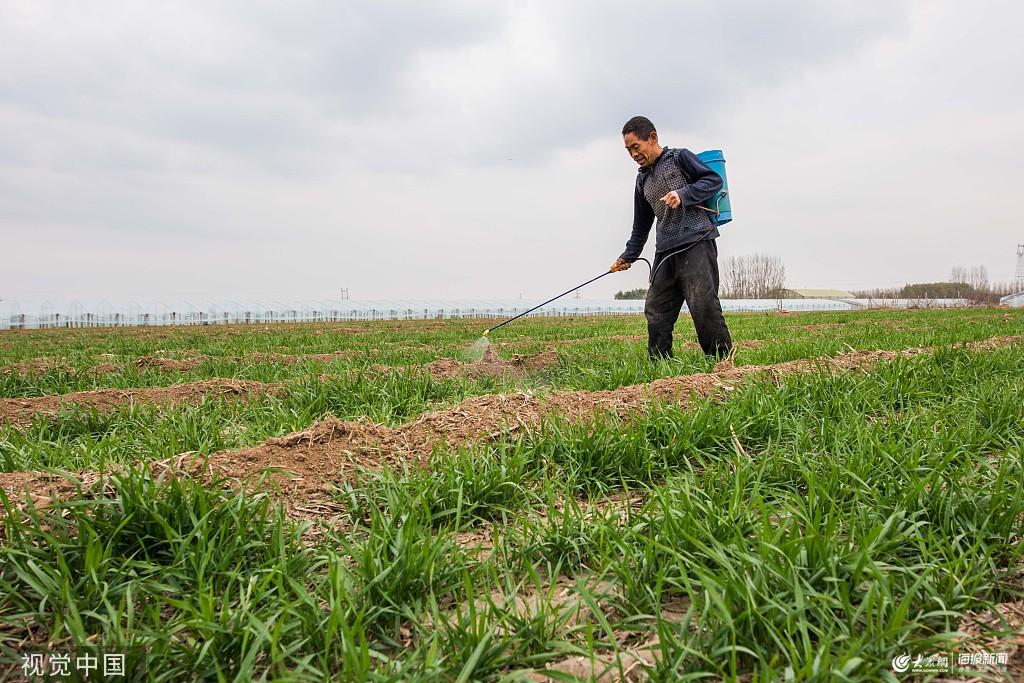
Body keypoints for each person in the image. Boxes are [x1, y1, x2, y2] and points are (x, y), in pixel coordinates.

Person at [611, 116, 733, 360]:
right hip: (665, 251)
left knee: (703, 305)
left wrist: (683, 193)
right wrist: (629, 255)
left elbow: (713, 180)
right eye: (628, 150)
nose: (633, 154)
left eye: (636, 147)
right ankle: (660, 367)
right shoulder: (642, 179)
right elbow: (641, 224)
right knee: (656, 310)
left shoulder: (679, 158)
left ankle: (723, 363)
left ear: (652, 138)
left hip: (697, 241)